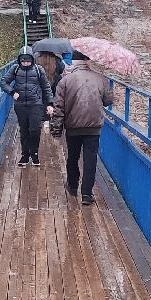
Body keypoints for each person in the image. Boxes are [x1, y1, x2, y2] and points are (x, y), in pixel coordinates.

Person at [50, 50, 113, 205]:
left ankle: (72, 186)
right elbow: (108, 101)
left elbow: (58, 108)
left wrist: (56, 131)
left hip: (73, 126)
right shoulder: (100, 78)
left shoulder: (65, 81)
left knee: (73, 157)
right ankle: (86, 194)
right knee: (90, 160)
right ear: (88, 60)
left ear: (73, 61)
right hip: (94, 127)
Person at [0, 47, 53, 167]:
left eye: (28, 61)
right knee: (24, 130)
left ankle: (34, 153)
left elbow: (46, 87)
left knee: (34, 130)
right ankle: (25, 155)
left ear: (32, 60)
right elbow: (3, 82)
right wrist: (12, 92)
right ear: (19, 60)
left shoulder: (39, 70)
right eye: (23, 61)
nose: (26, 63)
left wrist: (49, 104)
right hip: (21, 105)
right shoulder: (15, 69)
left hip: (36, 104)